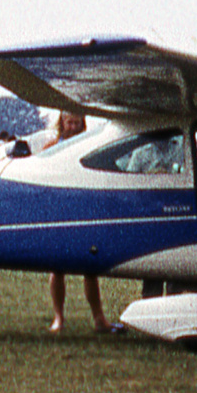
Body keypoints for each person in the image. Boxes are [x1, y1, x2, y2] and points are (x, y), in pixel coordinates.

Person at [44, 112, 122, 334]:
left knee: (90, 266)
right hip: (59, 211)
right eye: (69, 122)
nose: (73, 126)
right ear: (62, 123)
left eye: (77, 123)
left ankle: (99, 319)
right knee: (57, 268)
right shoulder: (52, 147)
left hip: (84, 209)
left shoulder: (90, 146)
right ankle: (58, 318)